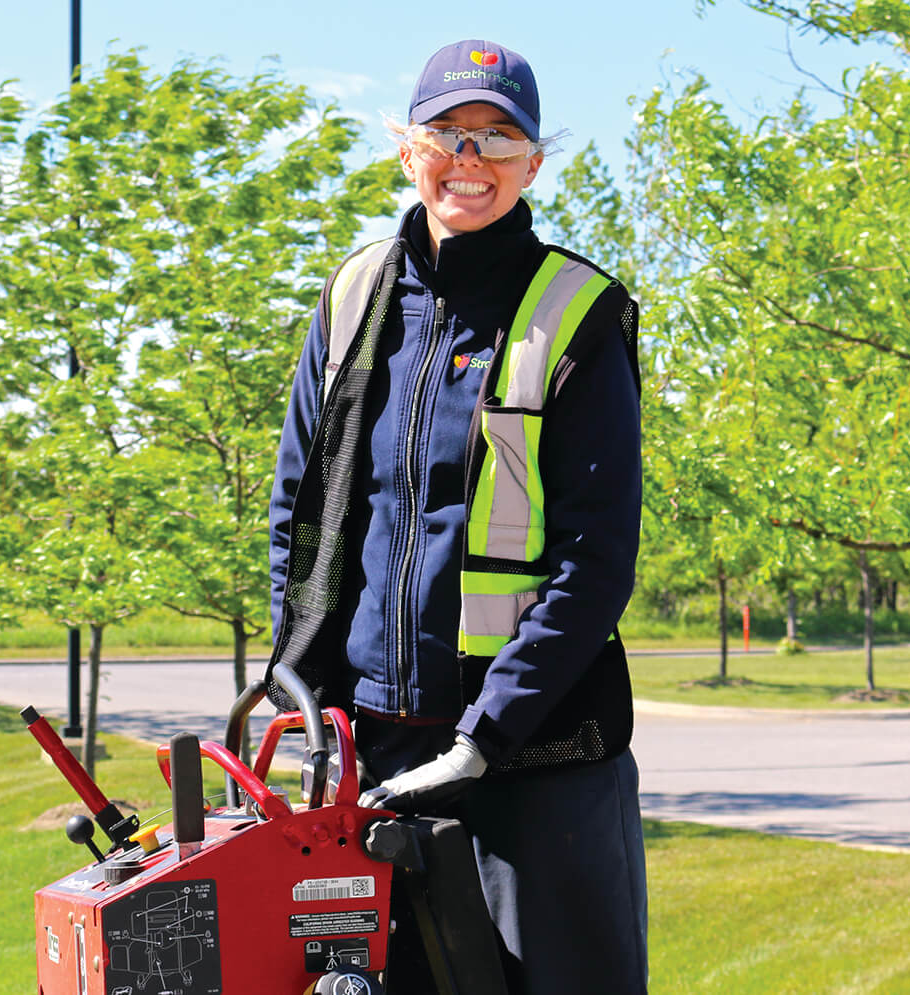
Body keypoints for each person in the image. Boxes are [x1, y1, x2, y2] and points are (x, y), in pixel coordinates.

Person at [267, 38, 647, 994]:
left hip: (533, 760)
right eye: (446, 133)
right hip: (374, 753)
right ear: (408, 149)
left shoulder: (577, 313)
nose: (468, 160)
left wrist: (483, 738)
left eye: (496, 138)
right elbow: (301, 517)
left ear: (533, 163)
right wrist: (300, 692)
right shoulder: (353, 296)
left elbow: (593, 561)